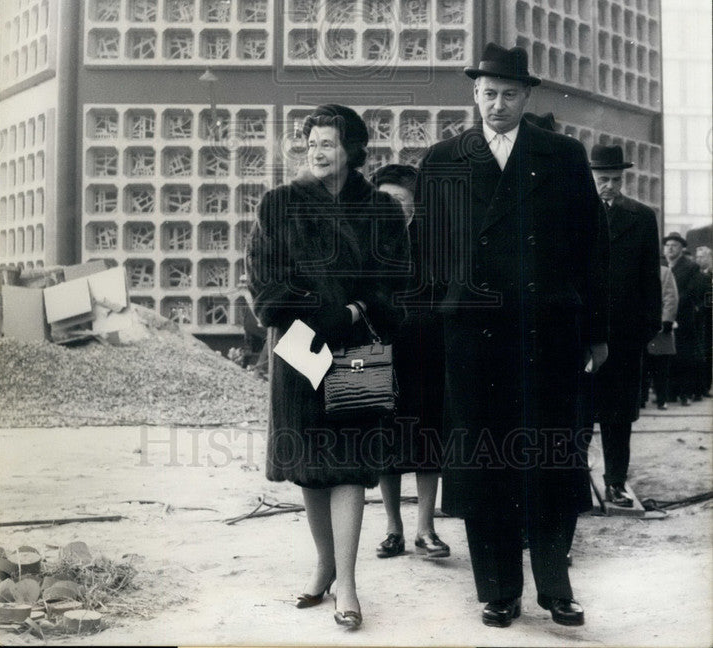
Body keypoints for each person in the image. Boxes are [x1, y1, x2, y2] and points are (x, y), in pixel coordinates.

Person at [411, 43, 609, 629]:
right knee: (484, 464)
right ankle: (498, 591)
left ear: (528, 97)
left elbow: (592, 250)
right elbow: (425, 253)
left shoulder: (563, 156)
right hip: (473, 337)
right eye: (488, 93)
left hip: (547, 335)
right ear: (474, 94)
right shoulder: (443, 158)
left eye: (509, 94)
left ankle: (556, 587)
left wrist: (596, 332)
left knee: (553, 456)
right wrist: (432, 326)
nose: (497, 104)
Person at [246, 104, 409, 631]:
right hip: (296, 347)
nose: (317, 150)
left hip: (358, 345)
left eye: (330, 143)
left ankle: (349, 584)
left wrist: (356, 310)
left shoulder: (381, 210)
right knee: (310, 468)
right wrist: (319, 313)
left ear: (354, 151)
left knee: (352, 466)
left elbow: (395, 284)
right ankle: (324, 566)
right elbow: (265, 281)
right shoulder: (278, 205)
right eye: (311, 141)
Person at [371, 164, 449, 561]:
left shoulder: (436, 239)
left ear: (415, 200)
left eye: (400, 199)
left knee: (428, 435)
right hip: (380, 350)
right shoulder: (368, 240)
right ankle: (392, 529)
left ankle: (425, 528)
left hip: (427, 349)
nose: (394, 207)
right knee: (386, 439)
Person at [588, 144, 662, 507]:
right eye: (603, 179)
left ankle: (615, 483)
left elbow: (651, 278)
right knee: (580, 413)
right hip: (584, 334)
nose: (610, 187)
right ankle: (575, 485)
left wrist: (646, 328)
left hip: (626, 335)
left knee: (619, 415)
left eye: (616, 180)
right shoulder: (574, 214)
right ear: (591, 178)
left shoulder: (642, 217)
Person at [664, 232, 708, 406]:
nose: (670, 248)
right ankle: (670, 392)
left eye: (674, 245)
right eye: (667, 245)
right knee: (668, 356)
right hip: (665, 317)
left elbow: (691, 292)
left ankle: (685, 392)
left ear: (682, 248)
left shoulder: (690, 267)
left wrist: (672, 304)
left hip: (683, 318)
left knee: (684, 356)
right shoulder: (662, 264)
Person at [642, 265, 678, 409]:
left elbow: (671, 297)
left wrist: (667, 320)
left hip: (659, 327)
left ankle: (662, 398)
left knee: (660, 365)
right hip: (639, 326)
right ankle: (641, 398)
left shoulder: (664, 272)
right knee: (641, 366)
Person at [694, 246, 712, 398]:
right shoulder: (693, 274)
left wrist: (699, 308)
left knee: (707, 352)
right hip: (698, 319)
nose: (698, 260)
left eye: (702, 257)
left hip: (708, 318)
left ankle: (705, 386)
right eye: (697, 257)